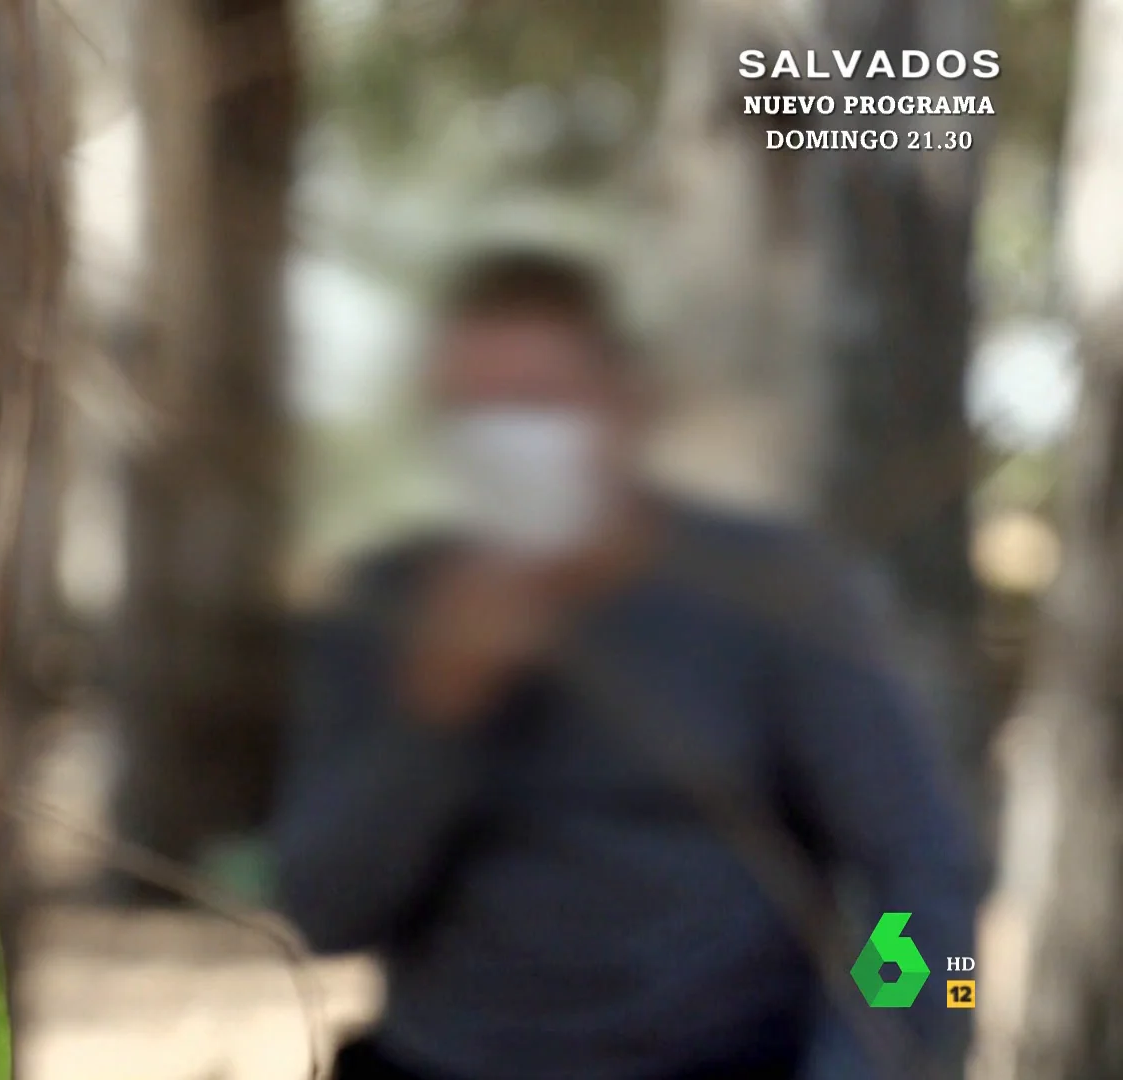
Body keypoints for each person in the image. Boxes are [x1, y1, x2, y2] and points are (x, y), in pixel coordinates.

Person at [270, 249, 981, 1080]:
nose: (507, 443)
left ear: (625, 407)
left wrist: (873, 1055)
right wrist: (433, 714)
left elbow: (921, 876)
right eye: (472, 412)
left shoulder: (776, 592)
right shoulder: (386, 601)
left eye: (539, 404)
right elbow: (320, 915)